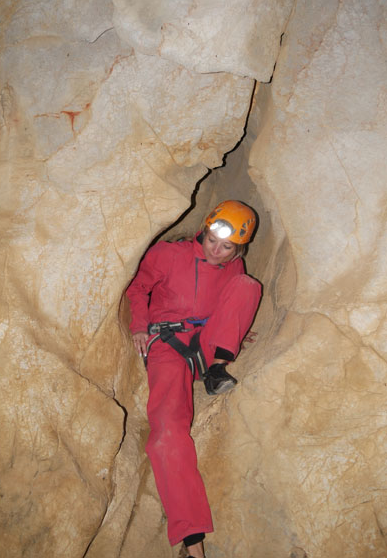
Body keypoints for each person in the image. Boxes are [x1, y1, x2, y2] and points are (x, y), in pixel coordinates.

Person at [126, 200, 262, 558]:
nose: (217, 252)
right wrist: (139, 326)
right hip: (168, 345)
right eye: (214, 240)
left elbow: (233, 301)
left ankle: (217, 369)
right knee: (167, 431)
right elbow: (137, 288)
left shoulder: (236, 268)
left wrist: (233, 332)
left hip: (207, 346)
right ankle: (193, 543)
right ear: (205, 228)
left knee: (249, 286)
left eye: (228, 247)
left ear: (239, 248)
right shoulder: (168, 254)